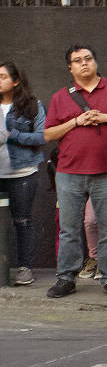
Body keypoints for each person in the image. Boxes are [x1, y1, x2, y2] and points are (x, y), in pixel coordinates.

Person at [44, 44, 107, 299]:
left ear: (96, 62)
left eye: (88, 59)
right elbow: (48, 134)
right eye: (78, 60)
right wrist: (76, 121)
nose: (84, 63)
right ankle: (66, 277)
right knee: (68, 228)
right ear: (70, 67)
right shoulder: (60, 97)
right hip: (68, 172)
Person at [0, 61, 41, 287]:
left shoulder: (31, 105)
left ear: (15, 81)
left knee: (22, 221)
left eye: (3, 77)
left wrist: (13, 135)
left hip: (22, 173)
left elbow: (42, 137)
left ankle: (25, 268)